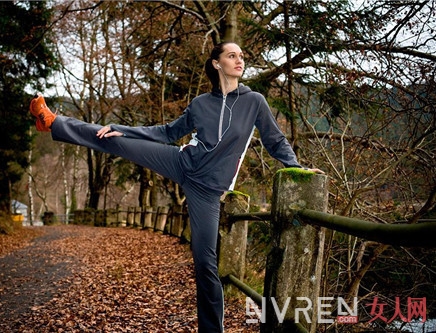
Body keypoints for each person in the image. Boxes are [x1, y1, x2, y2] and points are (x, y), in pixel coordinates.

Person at [30, 42, 324, 332]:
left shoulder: (254, 102)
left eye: (241, 56)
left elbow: (274, 140)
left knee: (205, 263)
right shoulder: (200, 104)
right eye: (231, 56)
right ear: (216, 63)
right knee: (115, 139)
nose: (239, 60)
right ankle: (53, 122)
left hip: (207, 190)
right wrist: (128, 130)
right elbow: (169, 132)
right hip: (181, 162)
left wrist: (295, 167)